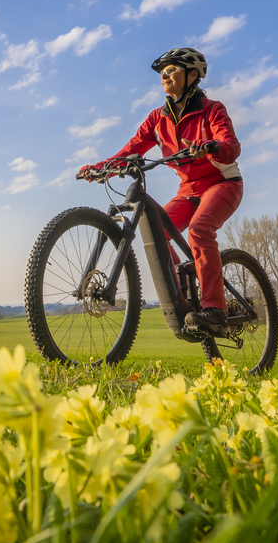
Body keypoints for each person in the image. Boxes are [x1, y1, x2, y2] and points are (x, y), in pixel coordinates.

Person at [79, 47, 243, 332]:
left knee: (200, 230)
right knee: (158, 231)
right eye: (162, 73)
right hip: (188, 191)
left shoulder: (212, 110)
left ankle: (215, 309)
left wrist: (213, 146)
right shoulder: (158, 119)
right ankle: (184, 288)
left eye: (172, 70)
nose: (165, 76)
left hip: (222, 183)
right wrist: (102, 167)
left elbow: (231, 145)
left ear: (192, 76)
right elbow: (131, 149)